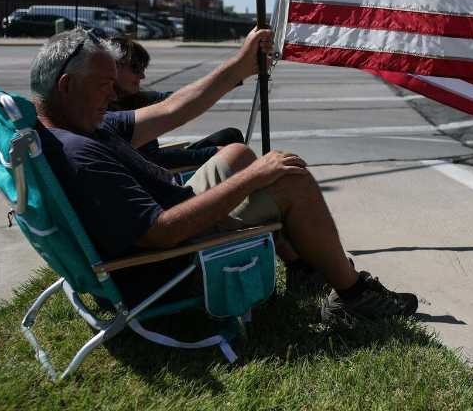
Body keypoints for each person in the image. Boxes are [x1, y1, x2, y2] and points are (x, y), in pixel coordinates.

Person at [29, 27, 416, 320]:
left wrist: (240, 65)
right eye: (103, 86)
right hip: (170, 261)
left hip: (172, 211)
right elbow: (162, 232)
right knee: (291, 179)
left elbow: (172, 110)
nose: (113, 96)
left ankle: (302, 265)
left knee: (236, 153)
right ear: (67, 85)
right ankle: (353, 295)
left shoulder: (78, 126)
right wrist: (254, 178)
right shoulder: (79, 154)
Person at [108, 36, 244, 169]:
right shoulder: (107, 112)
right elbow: (154, 160)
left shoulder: (134, 97)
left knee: (230, 136)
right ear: (113, 67)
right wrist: (212, 153)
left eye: (143, 68)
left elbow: (182, 97)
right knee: (234, 150)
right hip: (152, 174)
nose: (142, 76)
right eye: (135, 68)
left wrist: (233, 77)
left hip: (159, 163)